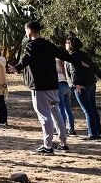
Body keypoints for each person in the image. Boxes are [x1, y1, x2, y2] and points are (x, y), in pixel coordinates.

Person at [8, 21, 87, 154]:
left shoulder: (31, 45)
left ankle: (48, 146)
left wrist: (17, 67)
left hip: (39, 87)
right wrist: (78, 61)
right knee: (56, 113)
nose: (25, 33)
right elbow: (63, 55)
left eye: (26, 30)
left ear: (30, 31)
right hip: (53, 85)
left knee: (44, 116)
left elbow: (27, 58)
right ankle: (63, 143)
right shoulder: (48, 44)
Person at [65, 36, 100, 140]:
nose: (65, 45)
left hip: (81, 85)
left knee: (87, 110)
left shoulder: (72, 56)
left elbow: (74, 71)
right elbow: (94, 66)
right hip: (91, 83)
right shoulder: (84, 54)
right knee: (93, 109)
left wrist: (76, 84)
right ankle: (97, 131)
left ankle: (92, 134)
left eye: (66, 43)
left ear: (71, 44)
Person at [56, 57, 76, 135]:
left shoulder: (55, 61)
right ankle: (71, 129)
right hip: (67, 85)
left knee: (61, 108)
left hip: (59, 84)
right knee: (68, 108)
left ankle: (62, 129)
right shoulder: (65, 61)